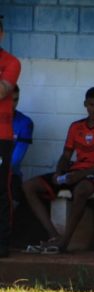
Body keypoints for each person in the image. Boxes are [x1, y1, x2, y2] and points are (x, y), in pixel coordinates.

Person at [23, 86, 94, 254]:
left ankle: (64, 242)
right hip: (74, 172)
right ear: (85, 104)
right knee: (29, 186)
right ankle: (54, 236)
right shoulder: (76, 127)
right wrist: (59, 172)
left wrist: (82, 174)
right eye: (91, 105)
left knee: (81, 190)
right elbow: (66, 155)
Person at [0, 18, 21, 258]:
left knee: (0, 190)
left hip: (1, 138)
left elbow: (3, 91)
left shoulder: (11, 62)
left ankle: (2, 242)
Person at [11, 85, 34, 207]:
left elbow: (15, 161)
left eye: (16, 100)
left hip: (10, 177)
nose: (12, 104)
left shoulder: (25, 122)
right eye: (8, 99)